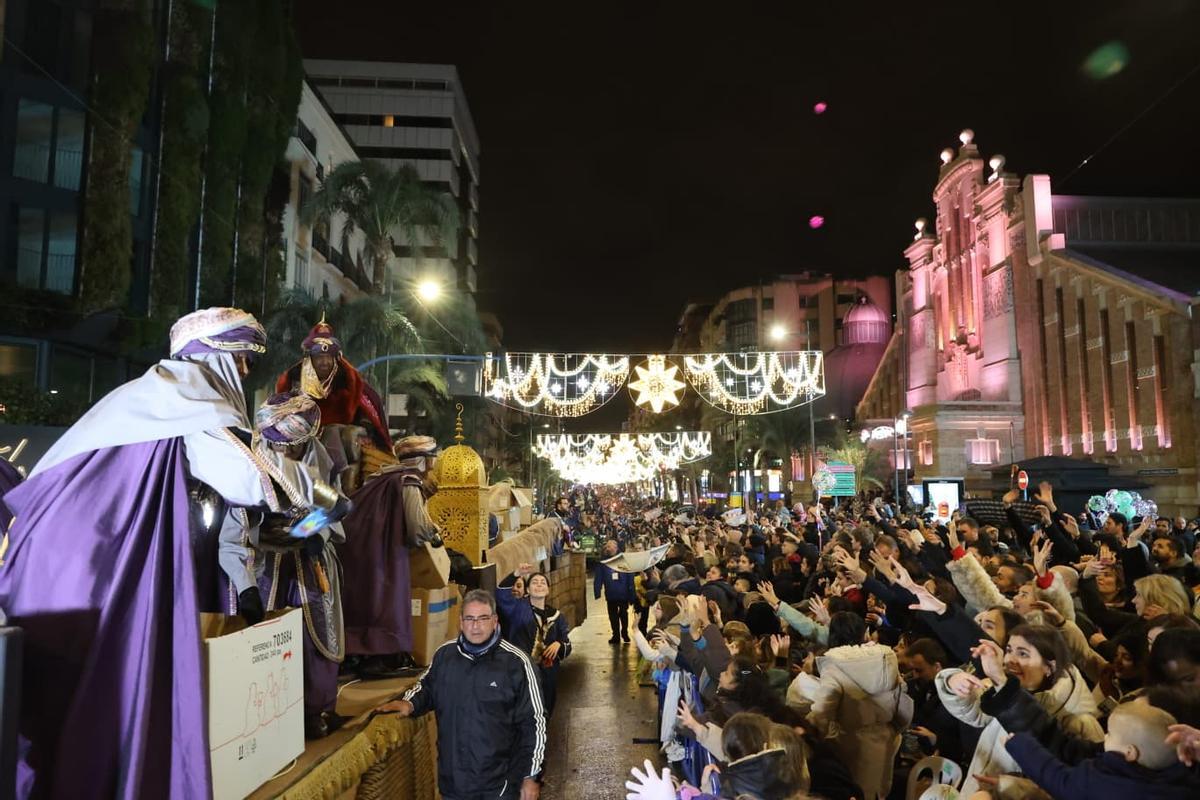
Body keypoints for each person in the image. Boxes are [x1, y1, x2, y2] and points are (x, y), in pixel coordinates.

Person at [0, 307, 325, 799]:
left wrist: (309, 524)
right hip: (98, 567)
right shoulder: (188, 396)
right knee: (94, 694)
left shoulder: (151, 397)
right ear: (218, 357)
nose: (242, 374)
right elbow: (250, 483)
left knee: (67, 695)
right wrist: (325, 503)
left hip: (70, 561)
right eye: (241, 361)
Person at [238, 392, 351, 739]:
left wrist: (308, 530)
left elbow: (338, 508)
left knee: (315, 636)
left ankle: (317, 712)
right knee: (266, 637)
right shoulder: (251, 462)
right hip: (267, 562)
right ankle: (265, 717)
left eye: (294, 447)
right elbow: (240, 521)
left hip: (311, 562)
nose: (286, 454)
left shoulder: (317, 472)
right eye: (280, 446)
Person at [375, 589, 547, 800]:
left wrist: (531, 776)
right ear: (461, 622)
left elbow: (534, 722)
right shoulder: (444, 655)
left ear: (494, 621)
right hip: (454, 784)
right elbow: (427, 686)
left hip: (500, 786)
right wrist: (409, 703)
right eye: (470, 618)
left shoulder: (517, 663)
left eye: (483, 618)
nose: (476, 626)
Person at [341, 434, 442, 678]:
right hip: (384, 553)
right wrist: (435, 533)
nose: (433, 465)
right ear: (422, 461)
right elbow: (417, 528)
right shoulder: (409, 481)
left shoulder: (380, 478)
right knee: (386, 602)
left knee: (363, 602)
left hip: (357, 551)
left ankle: (358, 654)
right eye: (431, 460)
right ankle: (382, 657)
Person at [1005, 696, 1200, 798]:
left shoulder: (1101, 783)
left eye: (1110, 734)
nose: (1105, 737)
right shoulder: (1186, 781)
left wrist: (1021, 745)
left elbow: (1057, 778)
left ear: (1130, 752)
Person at [275, 314, 392, 450]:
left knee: (332, 434)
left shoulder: (348, 381)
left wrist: (362, 431)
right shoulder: (293, 379)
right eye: (319, 357)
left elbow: (366, 414)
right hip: (299, 435)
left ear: (335, 359)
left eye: (328, 357)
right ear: (310, 359)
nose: (324, 362)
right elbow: (280, 411)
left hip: (338, 437)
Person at [498, 563, 573, 716]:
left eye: (543, 582)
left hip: (548, 674)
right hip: (522, 673)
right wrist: (516, 572)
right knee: (525, 712)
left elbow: (567, 642)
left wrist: (559, 644)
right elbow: (501, 594)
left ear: (548, 590)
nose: (539, 585)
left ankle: (542, 738)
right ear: (527, 590)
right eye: (534, 582)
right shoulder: (517, 609)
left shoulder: (556, 616)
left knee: (547, 709)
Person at [595, 538, 635, 643]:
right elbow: (598, 577)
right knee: (613, 616)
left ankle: (625, 633)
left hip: (623, 594)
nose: (607, 548)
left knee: (623, 614)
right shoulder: (603, 562)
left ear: (615, 547)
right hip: (610, 594)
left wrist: (632, 594)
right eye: (606, 546)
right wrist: (597, 591)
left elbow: (630, 576)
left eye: (609, 546)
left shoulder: (623, 559)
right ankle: (616, 635)